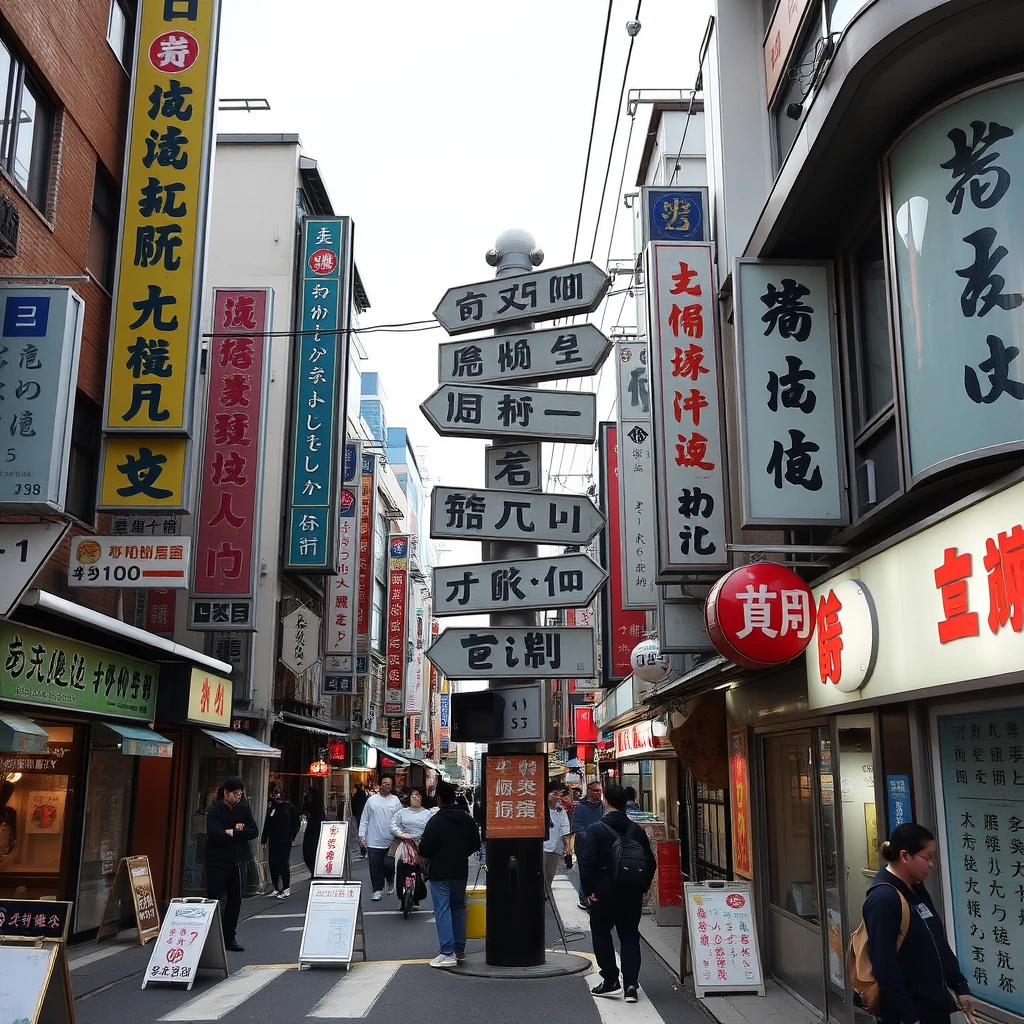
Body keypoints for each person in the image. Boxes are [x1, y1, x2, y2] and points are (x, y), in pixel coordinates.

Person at [863, 823, 976, 1024]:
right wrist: (908, 1015)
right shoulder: (883, 899)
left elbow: (937, 940)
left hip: (934, 1006)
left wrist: (960, 986)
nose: (931, 864)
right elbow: (884, 965)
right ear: (905, 856)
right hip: (910, 1014)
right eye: (927, 857)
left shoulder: (916, 888)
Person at [578, 784, 656, 1003]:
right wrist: (643, 886)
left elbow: (588, 862)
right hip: (631, 891)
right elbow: (650, 862)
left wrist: (589, 890)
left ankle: (611, 979)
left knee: (602, 933)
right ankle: (631, 985)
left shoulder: (596, 829)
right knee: (630, 935)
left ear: (605, 802)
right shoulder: (637, 830)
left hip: (604, 892)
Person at [418, 780, 481, 968]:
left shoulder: (435, 820)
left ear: (439, 799)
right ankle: (459, 950)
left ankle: (447, 952)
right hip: (460, 870)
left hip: (439, 872)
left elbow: (425, 849)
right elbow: (475, 844)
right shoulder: (467, 819)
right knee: (458, 908)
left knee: (443, 910)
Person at [206, 776, 260, 952]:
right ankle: (210, 937)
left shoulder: (243, 808)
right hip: (217, 861)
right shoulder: (215, 810)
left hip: (237, 861)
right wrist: (236, 833)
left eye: (240, 794)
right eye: (235, 794)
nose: (238, 797)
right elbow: (215, 835)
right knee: (214, 898)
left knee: (235, 900)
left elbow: (253, 831)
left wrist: (233, 833)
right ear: (226, 792)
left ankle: (230, 936)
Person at [359, 775, 402, 900]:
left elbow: (400, 818)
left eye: (389, 784)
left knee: (388, 864)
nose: (386, 785)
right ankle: (377, 890)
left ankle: (389, 878)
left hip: (391, 841)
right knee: (375, 867)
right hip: (373, 840)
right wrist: (362, 835)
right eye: (384, 783)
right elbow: (364, 819)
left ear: (392, 786)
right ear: (380, 785)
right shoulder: (371, 800)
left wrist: (401, 834)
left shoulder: (395, 801)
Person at [390, 787, 434, 906]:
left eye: (418, 795)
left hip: (421, 844)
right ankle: (401, 895)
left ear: (422, 798)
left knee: (422, 868)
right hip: (405, 843)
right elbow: (393, 825)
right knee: (397, 865)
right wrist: (402, 834)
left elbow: (431, 829)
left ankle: (418, 892)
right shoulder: (402, 812)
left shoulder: (428, 814)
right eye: (412, 795)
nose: (414, 797)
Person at [571, 779, 605, 911]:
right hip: (584, 846)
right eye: (595, 791)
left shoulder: (603, 807)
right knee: (584, 870)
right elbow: (576, 825)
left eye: (600, 791)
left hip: (601, 845)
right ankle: (583, 897)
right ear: (589, 791)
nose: (598, 794)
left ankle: (596, 895)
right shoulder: (581, 807)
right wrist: (588, 835)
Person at [261, 783, 299, 898]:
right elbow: (267, 824)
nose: (275, 796)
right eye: (274, 793)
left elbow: (296, 822)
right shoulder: (272, 807)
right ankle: (276, 887)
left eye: (277, 793)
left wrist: (292, 836)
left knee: (282, 862)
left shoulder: (288, 807)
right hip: (273, 839)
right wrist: (263, 840)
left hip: (285, 839)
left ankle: (286, 887)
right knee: (272, 862)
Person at [543, 781, 571, 897]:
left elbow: (565, 831)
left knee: (550, 874)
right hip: (543, 847)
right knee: (542, 874)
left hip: (556, 848)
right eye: (555, 793)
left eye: (560, 794)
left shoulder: (561, 811)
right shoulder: (541, 809)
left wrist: (567, 848)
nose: (558, 797)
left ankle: (546, 894)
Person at [301, 787, 325, 876]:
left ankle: (314, 870)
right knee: (308, 851)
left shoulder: (316, 805)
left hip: (314, 831)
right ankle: (313, 870)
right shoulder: (312, 804)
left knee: (312, 851)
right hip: (311, 831)